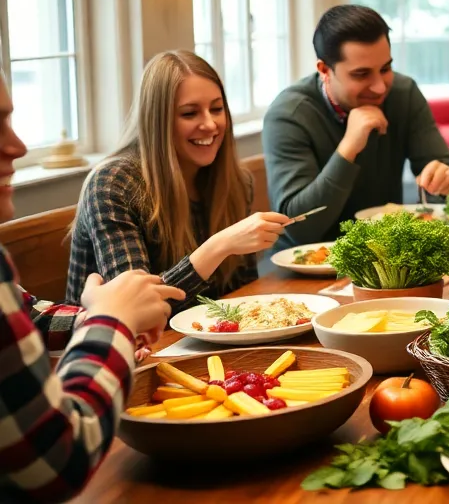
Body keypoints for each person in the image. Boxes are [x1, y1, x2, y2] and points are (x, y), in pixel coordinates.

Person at [0, 73, 184, 502]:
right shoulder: (114, 182)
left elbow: (26, 315)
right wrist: (112, 323)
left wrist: (92, 319)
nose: (18, 147)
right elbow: (58, 462)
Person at [66, 51, 289, 309]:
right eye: (189, 113)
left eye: (216, 109)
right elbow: (136, 309)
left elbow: (239, 296)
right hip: (109, 345)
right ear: (158, 121)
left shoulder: (236, 182)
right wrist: (219, 246)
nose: (210, 124)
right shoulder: (112, 184)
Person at [262, 5, 449, 249]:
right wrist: (348, 148)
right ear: (324, 70)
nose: (380, 87)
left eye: (385, 69)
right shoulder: (288, 115)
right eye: (361, 74)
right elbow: (298, 228)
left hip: (386, 259)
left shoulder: (404, 94)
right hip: (307, 268)